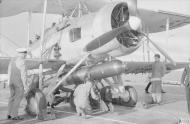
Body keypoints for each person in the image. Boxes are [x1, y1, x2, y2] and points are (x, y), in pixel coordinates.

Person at [7, 48, 28, 120]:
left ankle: (9, 114)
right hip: (18, 84)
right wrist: (25, 86)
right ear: (23, 54)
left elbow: (9, 71)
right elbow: (23, 75)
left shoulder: (13, 60)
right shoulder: (22, 62)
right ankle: (14, 115)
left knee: (11, 98)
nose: (26, 55)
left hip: (11, 82)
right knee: (17, 99)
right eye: (25, 53)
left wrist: (8, 81)